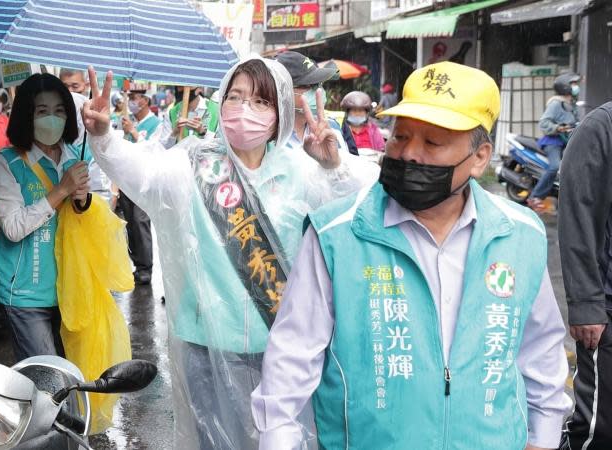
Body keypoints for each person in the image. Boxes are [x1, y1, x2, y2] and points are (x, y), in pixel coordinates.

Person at [252, 61, 572, 450]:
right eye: (400, 136)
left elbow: (540, 348)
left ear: (480, 157)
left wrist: (543, 438)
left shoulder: (520, 233)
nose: (409, 154)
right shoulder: (337, 234)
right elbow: (291, 358)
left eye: (433, 143)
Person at [81, 56, 377, 449]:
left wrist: (334, 166)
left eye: (260, 102)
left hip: (282, 347)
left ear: (280, 112)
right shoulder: (194, 164)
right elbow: (143, 174)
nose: (244, 110)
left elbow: (366, 200)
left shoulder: (302, 170)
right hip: (206, 345)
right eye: (235, 97)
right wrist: (104, 137)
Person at [0, 73, 91, 361]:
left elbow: (88, 225)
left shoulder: (74, 159)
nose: (52, 118)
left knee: (76, 379)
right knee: (49, 380)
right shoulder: (5, 163)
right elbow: (12, 227)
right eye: (42, 111)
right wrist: (61, 190)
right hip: (26, 294)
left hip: (70, 290)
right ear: (25, 115)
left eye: (60, 111)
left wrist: (83, 202)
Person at [557, 101, 612, 450]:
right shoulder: (602, 126)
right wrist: (586, 303)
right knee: (598, 427)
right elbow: (578, 214)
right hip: (606, 309)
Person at [274, 51, 360, 158]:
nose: (318, 91)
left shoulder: (333, 126)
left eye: (320, 84)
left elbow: (351, 170)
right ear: (282, 90)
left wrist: (333, 163)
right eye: (308, 85)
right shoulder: (267, 136)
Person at [119, 88, 161, 285]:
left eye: (134, 98)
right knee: (130, 223)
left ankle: (146, 268)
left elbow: (154, 150)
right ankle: (137, 265)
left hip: (145, 182)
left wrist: (134, 133)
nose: (131, 102)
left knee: (140, 221)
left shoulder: (155, 123)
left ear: (144, 100)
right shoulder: (130, 122)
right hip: (127, 181)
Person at [528, 73, 580, 212]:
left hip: (567, 142)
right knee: (554, 166)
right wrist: (558, 127)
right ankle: (535, 197)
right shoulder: (556, 103)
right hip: (553, 142)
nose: (576, 87)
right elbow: (544, 123)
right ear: (565, 87)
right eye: (573, 84)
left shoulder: (572, 104)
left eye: (576, 84)